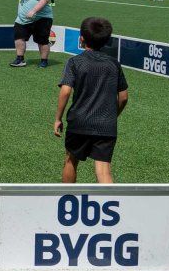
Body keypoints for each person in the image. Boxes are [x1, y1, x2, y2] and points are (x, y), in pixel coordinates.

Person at [54, 16, 128, 183]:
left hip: (79, 121)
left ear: (81, 39)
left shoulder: (75, 62)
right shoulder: (114, 64)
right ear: (106, 41)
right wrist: (112, 115)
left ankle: (68, 197)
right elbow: (123, 97)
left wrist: (58, 118)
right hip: (106, 125)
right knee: (103, 169)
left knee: (70, 160)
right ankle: (109, 200)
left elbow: (65, 91)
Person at [11, 0, 54, 68]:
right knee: (19, 37)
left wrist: (33, 11)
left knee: (42, 41)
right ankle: (20, 59)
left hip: (41, 18)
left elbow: (44, 0)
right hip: (22, 18)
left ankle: (44, 61)